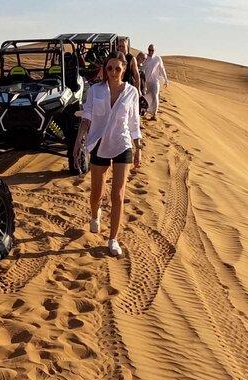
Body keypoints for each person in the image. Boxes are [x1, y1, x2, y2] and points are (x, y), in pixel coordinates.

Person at [73, 52, 143, 257]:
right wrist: (79, 141)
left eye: (117, 68)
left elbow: (133, 124)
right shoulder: (95, 90)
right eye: (109, 68)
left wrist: (138, 148)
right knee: (96, 194)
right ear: (105, 69)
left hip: (122, 145)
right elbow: (86, 117)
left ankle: (113, 239)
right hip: (99, 144)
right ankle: (95, 215)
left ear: (124, 70)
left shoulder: (131, 93)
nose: (113, 72)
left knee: (118, 195)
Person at [142, 44, 169, 120]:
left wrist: (166, 80)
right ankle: (145, 112)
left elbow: (162, 69)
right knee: (146, 98)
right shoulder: (145, 58)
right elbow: (141, 67)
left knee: (155, 96)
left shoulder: (157, 59)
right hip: (146, 82)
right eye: (149, 50)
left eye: (152, 50)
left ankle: (155, 114)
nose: (150, 52)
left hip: (155, 82)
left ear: (154, 51)